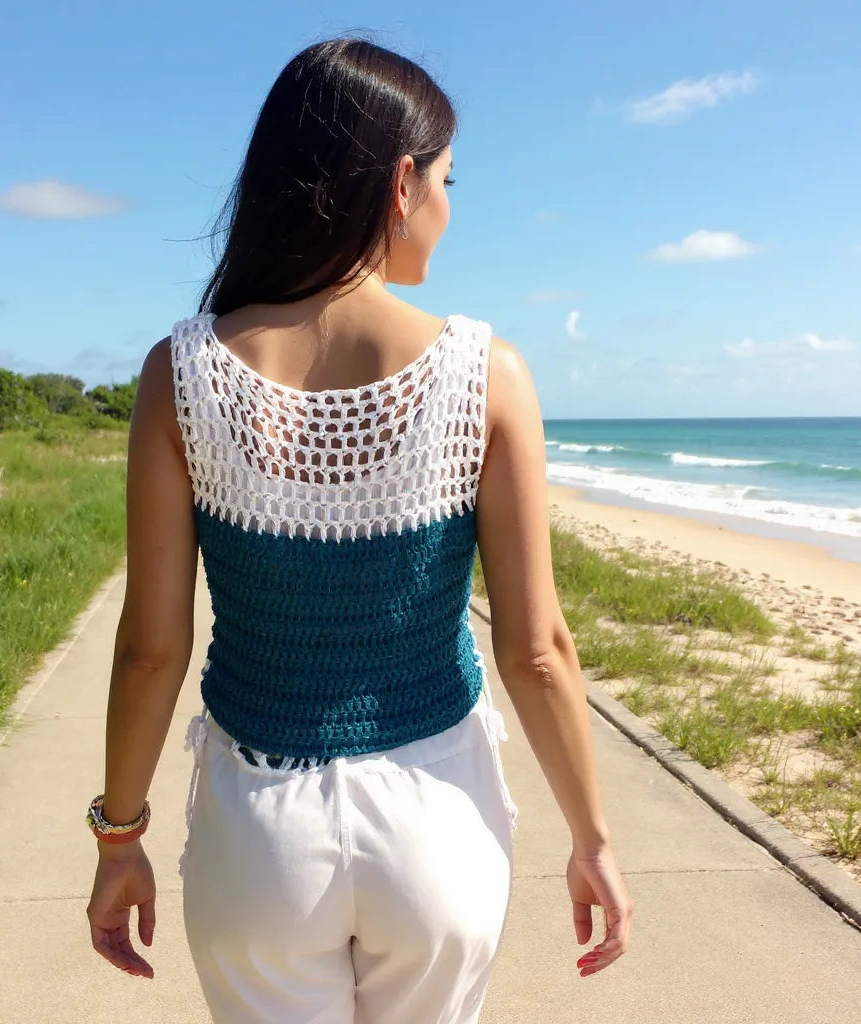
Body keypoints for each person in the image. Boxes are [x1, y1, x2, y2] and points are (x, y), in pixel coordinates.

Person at [85, 36, 633, 1022]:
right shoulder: (486, 372)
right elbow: (536, 650)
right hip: (438, 826)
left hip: (259, 835)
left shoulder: (182, 373)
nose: (449, 208)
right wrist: (591, 837)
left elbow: (149, 649)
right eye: (447, 181)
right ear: (399, 183)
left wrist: (118, 837)